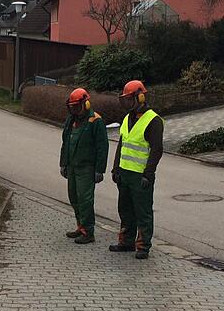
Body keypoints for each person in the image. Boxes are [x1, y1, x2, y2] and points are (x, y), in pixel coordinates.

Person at [109, 80, 164, 259]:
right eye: (125, 99)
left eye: (129, 99)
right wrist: (115, 168)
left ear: (140, 97)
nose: (126, 103)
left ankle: (143, 246)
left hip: (140, 176)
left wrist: (149, 173)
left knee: (143, 212)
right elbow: (122, 144)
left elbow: (156, 150)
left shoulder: (153, 121)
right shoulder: (127, 118)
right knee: (125, 210)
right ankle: (126, 241)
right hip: (125, 173)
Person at [59, 87, 109, 245]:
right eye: (72, 107)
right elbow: (65, 143)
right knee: (73, 197)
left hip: (87, 168)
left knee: (85, 200)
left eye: (76, 106)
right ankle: (80, 226)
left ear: (85, 104)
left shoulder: (95, 121)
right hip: (72, 166)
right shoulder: (71, 120)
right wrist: (63, 163)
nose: (74, 110)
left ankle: (88, 231)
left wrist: (99, 170)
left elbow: (102, 147)